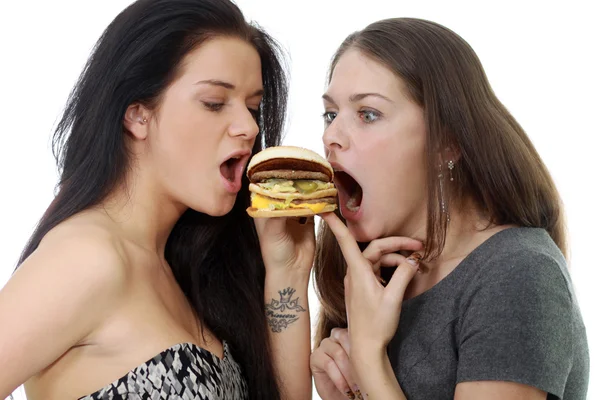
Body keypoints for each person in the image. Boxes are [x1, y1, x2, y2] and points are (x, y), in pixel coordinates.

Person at [0, 0, 314, 399]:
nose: (249, 127)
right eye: (215, 103)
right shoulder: (86, 257)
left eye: (253, 107)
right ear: (138, 115)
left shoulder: (185, 271)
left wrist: (286, 271)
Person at [310, 17, 589, 400]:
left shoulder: (516, 273)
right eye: (330, 114)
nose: (330, 136)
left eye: (367, 114)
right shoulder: (374, 280)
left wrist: (371, 360)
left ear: (447, 143)